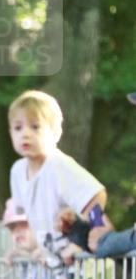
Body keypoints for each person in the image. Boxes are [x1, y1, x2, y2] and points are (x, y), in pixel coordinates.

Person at [8, 90, 106, 252]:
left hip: (78, 266)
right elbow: (28, 220)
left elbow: (96, 196)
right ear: (10, 132)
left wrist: (83, 241)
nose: (25, 134)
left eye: (35, 127)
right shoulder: (17, 171)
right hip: (50, 263)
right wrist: (25, 247)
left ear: (55, 132)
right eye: (18, 128)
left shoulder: (58, 165)